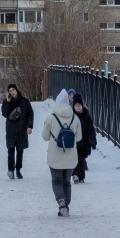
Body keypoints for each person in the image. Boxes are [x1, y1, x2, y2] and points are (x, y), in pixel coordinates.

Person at [42, 89, 82, 217]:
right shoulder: (75, 118)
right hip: (70, 157)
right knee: (66, 181)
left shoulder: (51, 118)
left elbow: (45, 137)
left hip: (55, 156)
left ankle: (61, 201)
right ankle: (66, 205)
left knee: (56, 181)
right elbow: (79, 138)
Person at [1, 83, 34, 180]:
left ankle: (18, 170)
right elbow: (4, 114)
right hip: (11, 130)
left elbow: (30, 114)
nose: (12, 92)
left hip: (21, 130)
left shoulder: (25, 101)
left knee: (20, 151)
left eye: (13, 90)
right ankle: (10, 170)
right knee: (10, 150)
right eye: (10, 91)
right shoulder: (6, 102)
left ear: (16, 90)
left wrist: (30, 126)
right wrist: (7, 101)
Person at [71, 93, 97, 184]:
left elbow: (91, 130)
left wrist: (93, 141)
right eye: (76, 105)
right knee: (75, 158)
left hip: (84, 142)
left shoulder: (87, 116)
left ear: (82, 106)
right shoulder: (71, 116)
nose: (77, 107)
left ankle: (81, 176)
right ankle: (75, 175)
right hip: (74, 142)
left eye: (79, 105)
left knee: (81, 159)